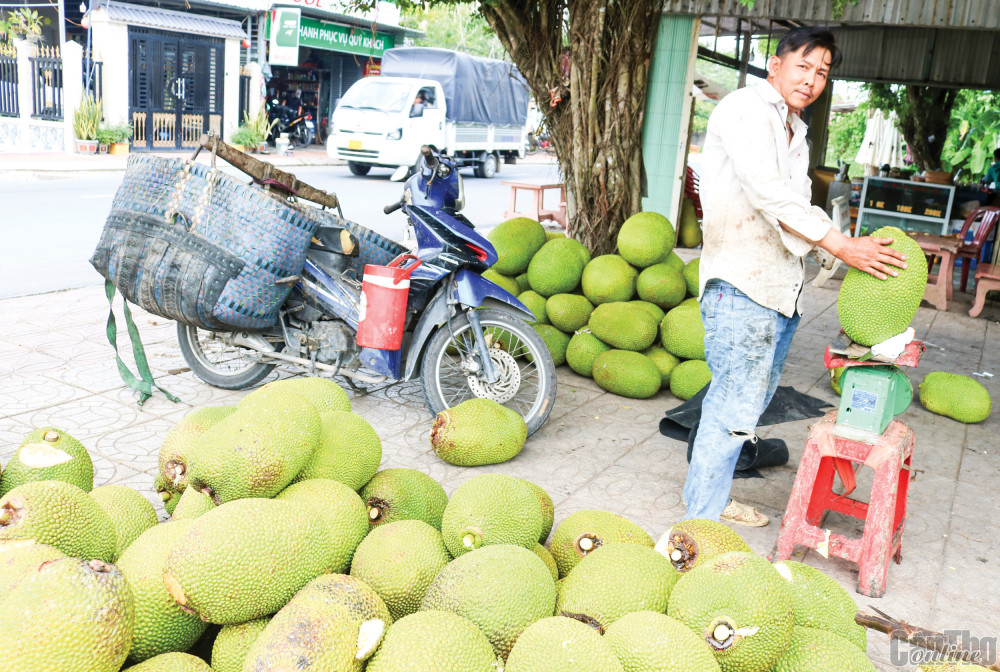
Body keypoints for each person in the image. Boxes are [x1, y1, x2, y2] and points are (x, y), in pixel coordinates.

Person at [683, 26, 908, 527]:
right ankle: (700, 519)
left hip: (779, 286)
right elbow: (768, 194)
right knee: (734, 404)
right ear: (776, 66)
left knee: (749, 402)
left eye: (823, 72)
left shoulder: (796, 130)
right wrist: (842, 247)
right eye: (803, 66)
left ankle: (711, 499)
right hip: (740, 281)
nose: (812, 79)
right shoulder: (745, 110)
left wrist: (830, 259)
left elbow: (800, 206)